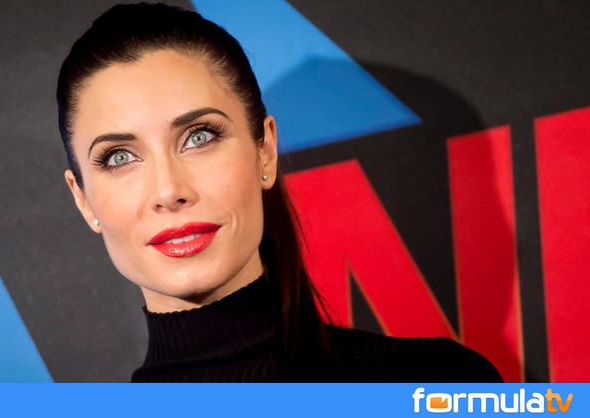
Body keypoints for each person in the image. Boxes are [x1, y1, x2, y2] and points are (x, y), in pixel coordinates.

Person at [56, 2, 502, 382]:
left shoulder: (437, 384)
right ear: (83, 199)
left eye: (199, 137)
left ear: (265, 151)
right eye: (119, 157)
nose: (169, 190)